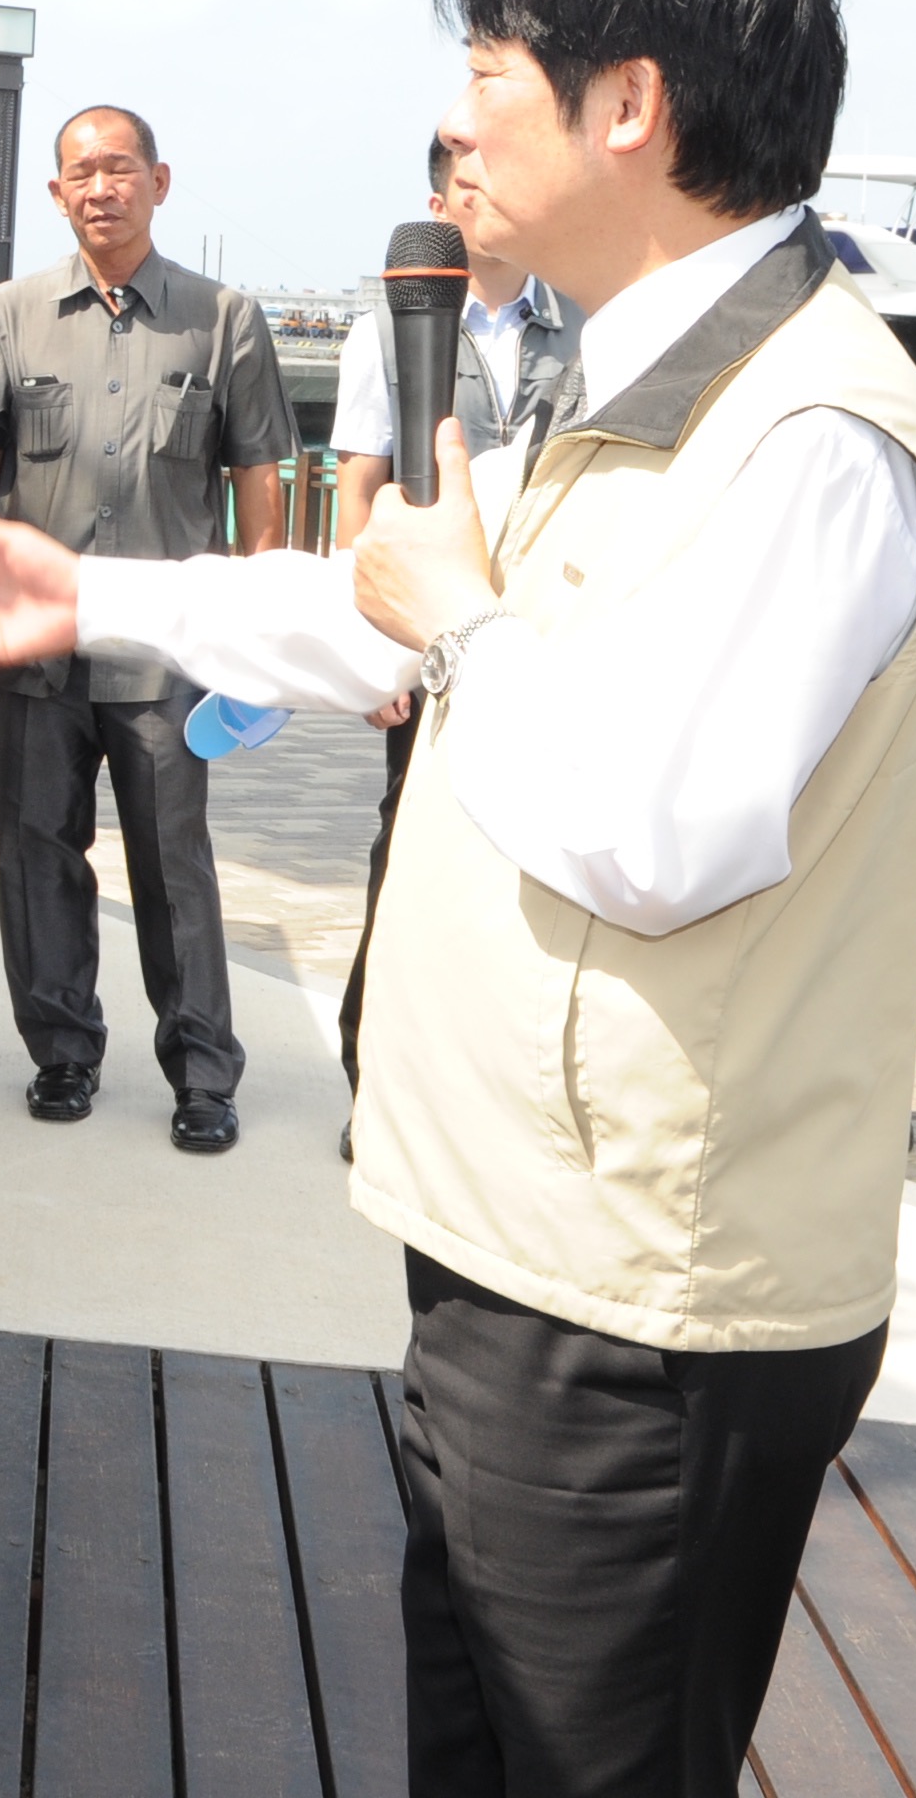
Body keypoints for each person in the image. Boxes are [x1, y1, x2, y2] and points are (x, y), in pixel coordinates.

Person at [0, 0, 916, 1798]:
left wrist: (459, 610)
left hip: (648, 1299)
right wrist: (91, 597)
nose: (456, 117)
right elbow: (404, 615)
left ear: (626, 105)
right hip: (515, 1240)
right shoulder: (636, 373)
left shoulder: (805, 434)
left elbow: (656, 825)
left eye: (489, 62)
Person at [0, 103, 297, 1152]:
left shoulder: (221, 317)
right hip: (36, 641)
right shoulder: (5, 315)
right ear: (56, 192)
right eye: (80, 172)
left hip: (167, 653)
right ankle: (60, 1051)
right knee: (35, 848)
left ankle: (199, 1071)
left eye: (119, 168)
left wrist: (257, 628)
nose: (101, 187)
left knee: (170, 861)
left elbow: (258, 478)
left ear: (158, 180)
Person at [324, 130, 580, 1107]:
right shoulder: (384, 330)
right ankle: (374, 1081)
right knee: (410, 857)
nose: (487, 201)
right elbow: (358, 497)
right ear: (440, 209)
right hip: (428, 642)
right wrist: (366, 655)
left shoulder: (588, 324)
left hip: (544, 637)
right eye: (466, 187)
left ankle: (493, 1089)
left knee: (528, 868)